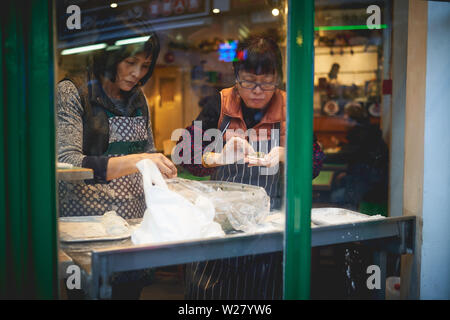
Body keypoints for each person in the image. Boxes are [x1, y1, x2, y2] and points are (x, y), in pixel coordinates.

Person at [177, 36, 324, 299]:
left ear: (278, 77)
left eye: (267, 82)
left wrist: (288, 155)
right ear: (236, 76)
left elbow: (314, 164)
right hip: (220, 232)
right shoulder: (219, 105)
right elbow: (183, 153)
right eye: (248, 81)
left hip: (269, 233)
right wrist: (218, 157)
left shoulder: (291, 107)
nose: (257, 90)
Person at [56, 23, 177, 299]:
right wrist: (138, 160)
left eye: (145, 65)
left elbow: (148, 151)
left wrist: (162, 176)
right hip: (89, 227)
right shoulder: (73, 91)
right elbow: (67, 163)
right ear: (111, 57)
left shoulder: (138, 97)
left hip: (133, 225)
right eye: (130, 62)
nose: (138, 73)